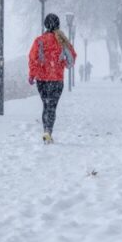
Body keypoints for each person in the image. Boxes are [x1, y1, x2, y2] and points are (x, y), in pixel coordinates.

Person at [28, 13, 77, 144]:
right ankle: (48, 131)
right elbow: (71, 58)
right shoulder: (61, 40)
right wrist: (64, 64)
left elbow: (33, 59)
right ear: (58, 24)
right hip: (56, 80)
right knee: (52, 106)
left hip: (42, 80)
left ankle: (46, 131)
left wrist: (32, 75)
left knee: (46, 104)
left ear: (45, 25)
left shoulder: (39, 41)